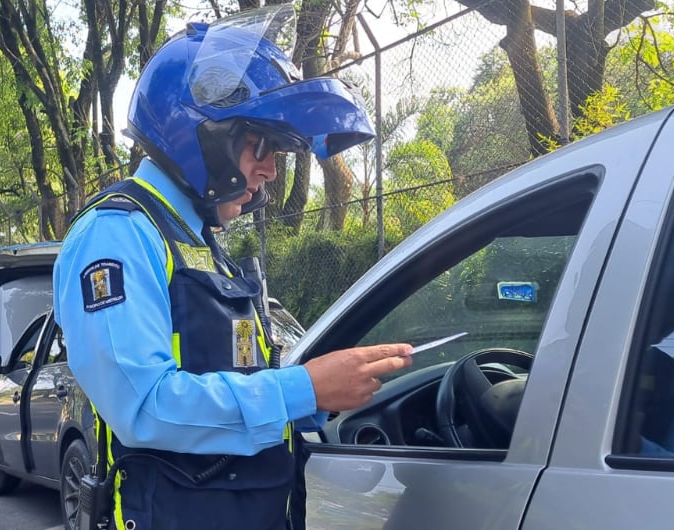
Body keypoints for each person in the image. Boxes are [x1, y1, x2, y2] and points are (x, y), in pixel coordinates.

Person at [52, 5, 412, 530]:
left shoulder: (194, 238)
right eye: (259, 144)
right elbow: (145, 406)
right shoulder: (119, 234)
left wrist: (313, 397)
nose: (269, 170)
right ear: (201, 135)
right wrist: (302, 388)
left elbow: (226, 375)